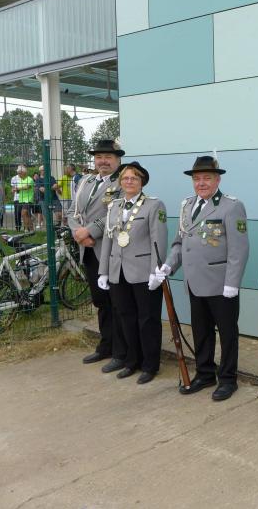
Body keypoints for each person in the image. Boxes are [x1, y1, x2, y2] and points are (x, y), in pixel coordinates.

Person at [154, 156, 249, 401]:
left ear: (217, 180)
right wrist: (168, 265)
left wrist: (232, 283)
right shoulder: (187, 205)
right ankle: (205, 373)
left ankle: (227, 379)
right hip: (194, 281)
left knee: (227, 333)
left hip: (221, 283)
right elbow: (179, 242)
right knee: (201, 331)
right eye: (197, 179)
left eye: (207, 178)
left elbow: (239, 249)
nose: (201, 183)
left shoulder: (231, 206)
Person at [97, 162, 167, 384]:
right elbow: (108, 239)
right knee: (125, 317)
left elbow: (158, 239)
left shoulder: (154, 205)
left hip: (144, 272)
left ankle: (150, 365)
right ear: (120, 182)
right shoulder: (114, 206)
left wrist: (156, 271)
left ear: (142, 182)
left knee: (147, 320)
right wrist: (103, 271)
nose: (129, 181)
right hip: (118, 271)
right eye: (125, 178)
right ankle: (131, 361)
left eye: (134, 178)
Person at [66, 139, 127, 372]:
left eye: (108, 157)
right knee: (101, 301)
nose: (103, 161)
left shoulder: (122, 181)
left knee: (116, 302)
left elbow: (117, 212)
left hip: (110, 251)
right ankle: (106, 345)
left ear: (117, 160)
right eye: (99, 157)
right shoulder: (86, 181)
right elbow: (72, 211)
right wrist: (79, 234)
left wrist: (90, 231)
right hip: (88, 250)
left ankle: (121, 352)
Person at [16, 166, 34, 232]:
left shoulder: (30, 179)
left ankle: (26, 229)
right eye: (18, 173)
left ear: (24, 173)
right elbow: (18, 191)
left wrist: (18, 188)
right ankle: (31, 229)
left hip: (28, 199)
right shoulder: (20, 180)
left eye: (20, 173)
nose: (18, 175)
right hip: (21, 199)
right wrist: (16, 190)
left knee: (24, 213)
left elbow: (27, 187)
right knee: (26, 215)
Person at [11, 166, 23, 231]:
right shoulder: (14, 178)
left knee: (25, 213)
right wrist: (13, 191)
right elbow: (12, 189)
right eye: (18, 171)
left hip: (25, 198)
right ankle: (18, 227)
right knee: (17, 213)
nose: (20, 172)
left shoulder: (26, 178)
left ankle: (27, 227)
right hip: (17, 198)